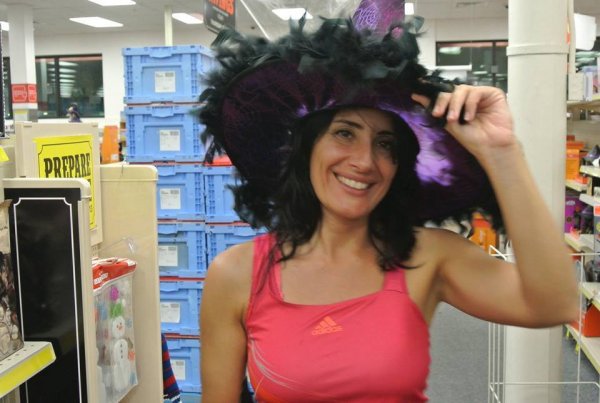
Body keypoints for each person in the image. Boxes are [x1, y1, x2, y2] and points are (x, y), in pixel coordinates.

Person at [198, 12, 579, 403]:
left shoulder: (428, 256)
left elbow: (555, 303)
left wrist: (502, 151)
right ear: (306, 148)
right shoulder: (237, 275)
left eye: (385, 144)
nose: (365, 162)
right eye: (344, 133)